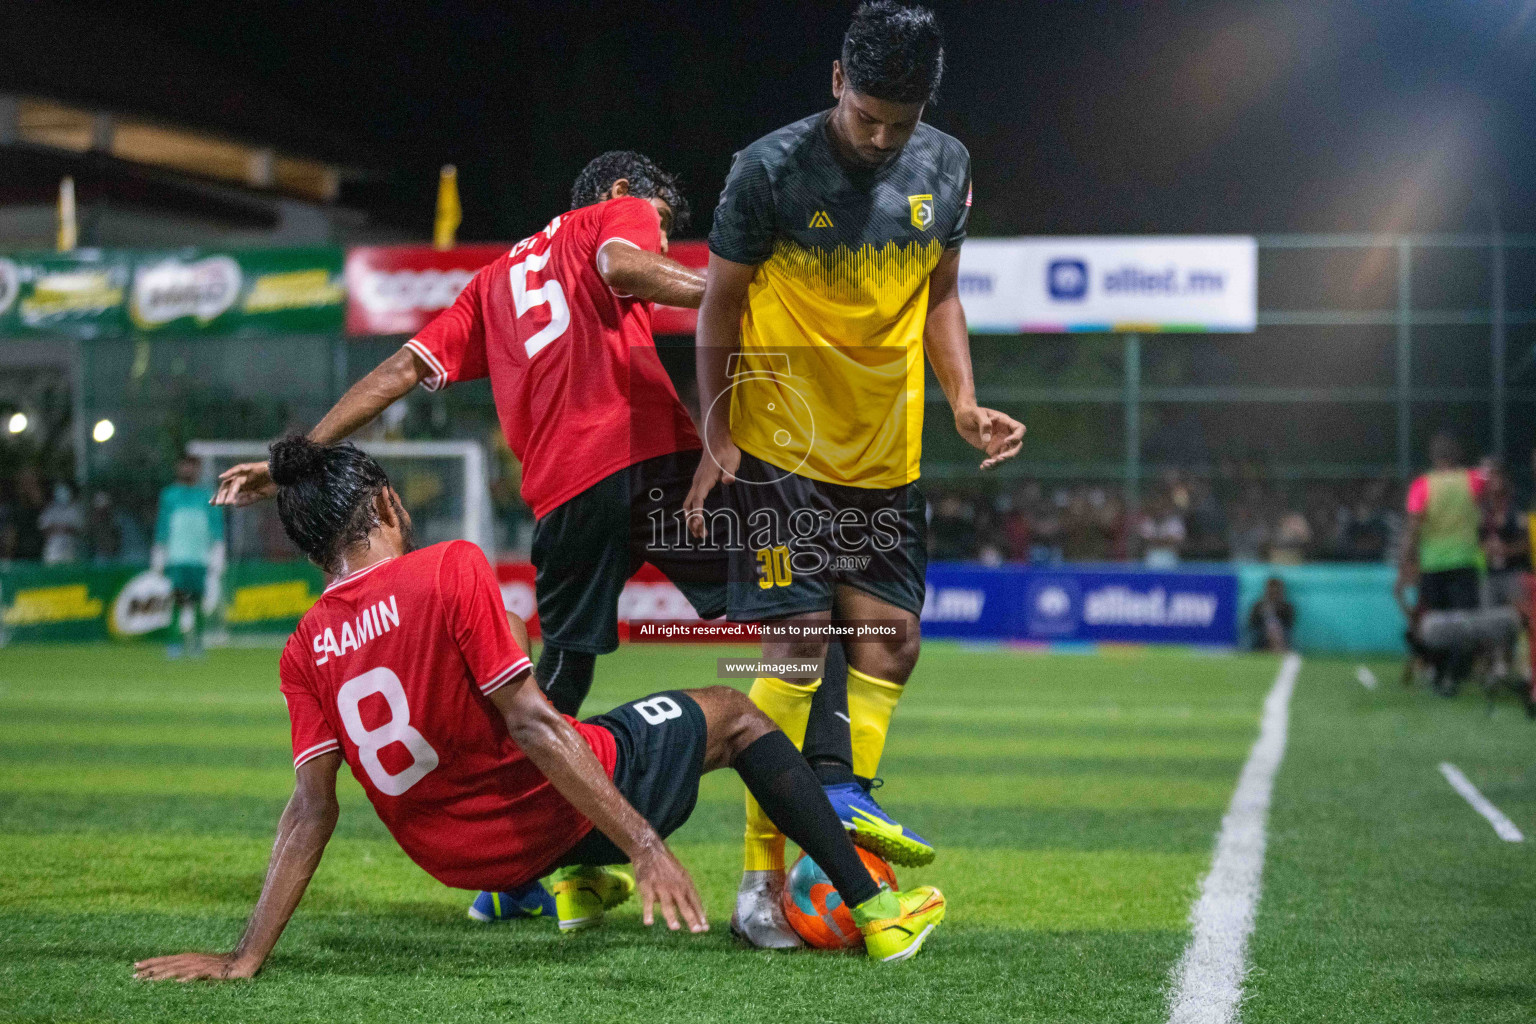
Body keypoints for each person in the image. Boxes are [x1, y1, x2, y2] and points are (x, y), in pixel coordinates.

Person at [213, 150, 809, 922]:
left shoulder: (490, 284)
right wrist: (737, 294)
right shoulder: (612, 214)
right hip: (649, 461)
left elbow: (397, 371)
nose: (662, 240)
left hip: (563, 497)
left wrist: (296, 457)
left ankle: (525, 872)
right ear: (627, 194)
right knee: (801, 603)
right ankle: (833, 799)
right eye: (664, 223)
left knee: (556, 679)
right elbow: (628, 268)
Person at [132, 438, 945, 981]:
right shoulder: (448, 568)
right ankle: (879, 915)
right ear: (384, 505)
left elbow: (310, 810)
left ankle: (575, 887)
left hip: (460, 862)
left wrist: (245, 956)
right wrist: (646, 842)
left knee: (542, 704)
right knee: (733, 711)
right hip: (544, 816)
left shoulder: (303, 645)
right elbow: (533, 724)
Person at [682, 2, 1024, 946]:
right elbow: (720, 305)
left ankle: (839, 815)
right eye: (867, 114)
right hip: (782, 445)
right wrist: (718, 437)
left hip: (887, 452)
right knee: (795, 649)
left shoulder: (946, 165)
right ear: (837, 79)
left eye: (898, 123)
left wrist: (961, 399)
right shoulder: (767, 170)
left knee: (892, 643)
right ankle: (758, 885)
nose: (880, 137)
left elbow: (941, 294)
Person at [1397, 433, 1486, 694]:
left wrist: (1405, 562)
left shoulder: (1422, 485)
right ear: (1457, 457)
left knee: (1435, 623)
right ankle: (1454, 676)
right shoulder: (1473, 479)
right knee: (1463, 623)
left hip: (1433, 565)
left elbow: (1413, 527)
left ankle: (1437, 671)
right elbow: (1489, 499)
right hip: (1465, 562)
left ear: (1433, 458)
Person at [153, 455, 225, 657]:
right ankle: (174, 643)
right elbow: (162, 526)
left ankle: (197, 644)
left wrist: (218, 553)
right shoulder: (169, 495)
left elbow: (216, 527)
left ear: (198, 469)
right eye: (185, 466)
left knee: (199, 601)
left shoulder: (207, 495)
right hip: (176, 558)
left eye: (192, 467)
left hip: (200, 558)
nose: (188, 470)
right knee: (176, 600)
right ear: (179, 468)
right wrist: (159, 553)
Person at [38, 481, 84, 565]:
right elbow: (43, 527)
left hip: (71, 546)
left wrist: (64, 529)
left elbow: (79, 528)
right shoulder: (50, 509)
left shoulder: (75, 509)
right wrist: (59, 528)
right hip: (53, 547)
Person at [1247, 576, 1296, 653]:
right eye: (1271, 590)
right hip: (1262, 634)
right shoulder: (1259, 605)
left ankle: (1278, 648)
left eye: (1276, 590)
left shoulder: (1286, 606)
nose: (1274, 592)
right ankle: (1276, 649)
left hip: (1282, 634)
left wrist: (1277, 611)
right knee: (1271, 626)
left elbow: (1289, 623)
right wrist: (1263, 613)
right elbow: (1251, 623)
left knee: (1275, 627)